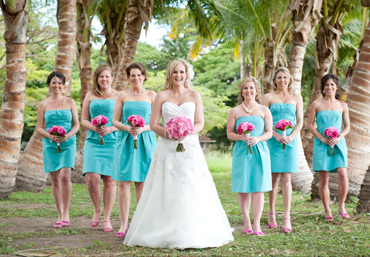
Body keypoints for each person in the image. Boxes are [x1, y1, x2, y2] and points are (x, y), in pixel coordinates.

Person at [124, 59, 233, 248]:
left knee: (192, 184)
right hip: (167, 147)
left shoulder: (194, 95)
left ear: (187, 74)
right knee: (166, 185)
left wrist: (186, 132)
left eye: (181, 72)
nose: (178, 76)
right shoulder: (161, 95)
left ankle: (195, 231)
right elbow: (154, 124)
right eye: (175, 72)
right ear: (169, 74)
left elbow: (200, 123)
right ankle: (163, 229)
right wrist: (169, 133)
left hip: (189, 147)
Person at [112, 63, 157, 238]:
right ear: (128, 77)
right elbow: (114, 120)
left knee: (142, 183)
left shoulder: (152, 95)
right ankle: (123, 224)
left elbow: (155, 122)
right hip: (125, 140)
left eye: (139, 75)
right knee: (123, 182)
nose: (136, 78)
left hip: (146, 140)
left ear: (144, 76)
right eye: (132, 75)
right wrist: (127, 127)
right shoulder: (122, 95)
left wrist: (142, 129)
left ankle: (139, 223)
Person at [227, 76, 273, 236]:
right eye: (245, 88)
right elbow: (229, 133)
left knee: (259, 188)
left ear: (256, 91)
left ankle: (257, 224)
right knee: (244, 188)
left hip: (260, 151)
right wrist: (241, 137)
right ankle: (246, 221)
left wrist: (258, 138)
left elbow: (269, 132)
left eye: (251, 88)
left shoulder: (264, 110)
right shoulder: (235, 111)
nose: (248, 91)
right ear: (241, 91)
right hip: (242, 152)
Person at [261, 67, 303, 233]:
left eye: (285, 77)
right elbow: (263, 120)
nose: (282, 80)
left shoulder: (296, 97)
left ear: (289, 79)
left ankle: (287, 217)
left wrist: (291, 136)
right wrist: (275, 135)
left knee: (287, 178)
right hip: (272, 140)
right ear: (275, 80)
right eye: (279, 77)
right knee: (274, 178)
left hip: (290, 141)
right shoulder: (268, 97)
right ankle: (271, 212)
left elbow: (299, 121)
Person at [36, 71, 79, 228]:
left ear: (64, 85)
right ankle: (59, 214)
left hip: (68, 142)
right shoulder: (43, 104)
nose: (57, 86)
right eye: (54, 82)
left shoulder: (70, 102)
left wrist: (67, 136)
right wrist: (50, 136)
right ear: (49, 84)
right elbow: (39, 128)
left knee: (65, 176)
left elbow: (77, 125)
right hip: (50, 143)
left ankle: (66, 213)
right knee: (55, 179)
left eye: (60, 83)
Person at [81, 65, 119, 232]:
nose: (104, 79)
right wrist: (94, 127)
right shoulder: (90, 95)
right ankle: (97, 209)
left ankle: (107, 218)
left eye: (107, 76)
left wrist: (110, 128)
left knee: (110, 181)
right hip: (93, 141)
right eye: (101, 77)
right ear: (97, 79)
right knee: (91, 178)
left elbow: (122, 122)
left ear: (112, 78)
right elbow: (83, 120)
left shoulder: (119, 96)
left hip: (112, 142)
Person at [307, 73, 350, 221]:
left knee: (343, 174)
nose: (329, 87)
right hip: (321, 144)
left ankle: (341, 206)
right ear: (323, 88)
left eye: (332, 84)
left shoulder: (343, 105)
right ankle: (327, 211)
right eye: (326, 85)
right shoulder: (316, 104)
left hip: (338, 143)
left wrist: (339, 137)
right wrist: (322, 138)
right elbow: (310, 125)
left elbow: (347, 127)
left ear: (336, 87)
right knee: (323, 179)